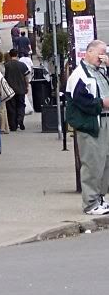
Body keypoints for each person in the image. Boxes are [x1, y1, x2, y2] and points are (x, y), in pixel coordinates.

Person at [66, 40, 109, 216]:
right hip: (92, 123)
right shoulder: (79, 75)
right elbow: (81, 101)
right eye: (100, 53)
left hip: (104, 120)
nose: (102, 57)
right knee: (93, 163)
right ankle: (91, 202)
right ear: (89, 52)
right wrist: (102, 103)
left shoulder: (101, 71)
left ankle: (100, 197)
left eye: (105, 53)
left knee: (105, 162)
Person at [4, 49, 30, 131]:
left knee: (11, 107)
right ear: (17, 55)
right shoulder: (22, 65)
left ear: (10, 55)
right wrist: (27, 86)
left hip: (10, 90)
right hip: (21, 89)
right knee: (21, 105)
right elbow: (26, 77)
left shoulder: (6, 65)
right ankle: (20, 119)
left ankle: (13, 125)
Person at [0, 50, 10, 134]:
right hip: (2, 89)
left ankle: (2, 127)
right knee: (3, 109)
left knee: (0, 109)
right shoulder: (2, 66)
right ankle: (5, 127)